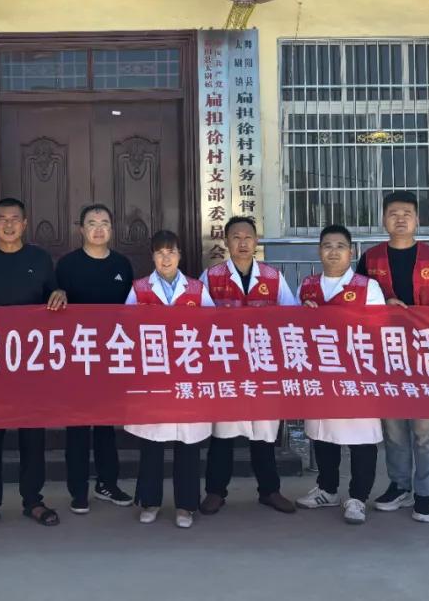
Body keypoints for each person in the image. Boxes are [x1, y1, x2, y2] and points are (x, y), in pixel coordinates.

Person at [0, 198, 68, 532]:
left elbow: (54, 298)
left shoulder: (40, 259)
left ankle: (33, 500)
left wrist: (60, 295)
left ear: (24, 224)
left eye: (14, 219)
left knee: (32, 437)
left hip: (30, 365)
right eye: (2, 219)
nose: (8, 224)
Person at [356, 190, 429, 523]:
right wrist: (383, 307)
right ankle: (399, 486)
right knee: (394, 428)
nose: (400, 219)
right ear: (383, 219)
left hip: (425, 354)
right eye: (393, 213)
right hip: (385, 354)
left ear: (417, 220)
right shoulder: (370, 259)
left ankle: (425, 494)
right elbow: (358, 302)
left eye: (407, 213)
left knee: (425, 430)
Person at [199, 216, 298, 516]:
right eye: (236, 237)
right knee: (223, 432)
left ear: (256, 242)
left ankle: (270, 491)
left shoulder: (273, 277)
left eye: (248, 237)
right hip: (226, 365)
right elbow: (199, 321)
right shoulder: (211, 277)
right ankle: (215, 492)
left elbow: (291, 317)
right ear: (226, 242)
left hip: (263, 364)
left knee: (264, 431)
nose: (242, 243)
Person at [294, 224, 386, 525]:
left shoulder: (367, 287)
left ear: (352, 252)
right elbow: (292, 327)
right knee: (324, 433)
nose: (333, 252)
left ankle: (358, 497)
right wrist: (305, 315)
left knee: (361, 437)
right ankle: (327, 489)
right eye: (327, 246)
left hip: (356, 372)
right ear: (319, 251)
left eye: (340, 246)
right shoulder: (308, 285)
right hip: (320, 371)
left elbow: (378, 329)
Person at [124, 229, 215, 529]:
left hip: (189, 374)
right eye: (160, 253)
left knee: (187, 443)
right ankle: (149, 501)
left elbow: (214, 327)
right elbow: (126, 329)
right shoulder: (139, 289)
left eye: (171, 252)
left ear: (180, 255)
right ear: (152, 256)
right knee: (152, 442)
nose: (166, 258)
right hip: (153, 376)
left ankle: (186, 505)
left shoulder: (197, 289)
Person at [54, 204, 135, 515]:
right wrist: (58, 296)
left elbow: (131, 309)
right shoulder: (67, 265)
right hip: (77, 355)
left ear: (112, 229)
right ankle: (78, 491)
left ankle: (107, 484)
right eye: (92, 223)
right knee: (77, 427)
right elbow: (53, 302)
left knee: (105, 425)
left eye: (104, 223)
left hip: (111, 355)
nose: (98, 229)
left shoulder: (122, 265)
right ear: (81, 229)